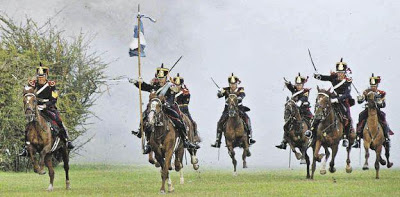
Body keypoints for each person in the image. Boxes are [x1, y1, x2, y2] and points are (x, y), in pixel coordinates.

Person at [131, 64, 200, 154]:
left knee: (179, 121)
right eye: (159, 78)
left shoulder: (170, 87)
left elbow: (171, 99)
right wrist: (138, 82)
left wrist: (166, 104)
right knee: (144, 116)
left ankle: (185, 140)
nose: (160, 80)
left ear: (165, 78)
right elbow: (144, 87)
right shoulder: (154, 86)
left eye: (162, 78)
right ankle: (144, 137)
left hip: (167, 108)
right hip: (155, 108)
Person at [20, 63, 74, 157]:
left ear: (46, 76)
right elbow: (28, 95)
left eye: (42, 77)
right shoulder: (33, 84)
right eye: (39, 77)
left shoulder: (51, 85)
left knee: (58, 120)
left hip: (48, 108)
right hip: (36, 109)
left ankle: (66, 140)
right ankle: (25, 147)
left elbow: (54, 99)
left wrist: (45, 106)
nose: (40, 79)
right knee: (28, 125)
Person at [310, 58, 355, 147]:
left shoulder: (347, 82)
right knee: (321, 110)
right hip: (332, 99)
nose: (340, 74)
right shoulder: (333, 78)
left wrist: (337, 99)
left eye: (341, 72)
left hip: (341, 101)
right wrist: (317, 76)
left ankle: (345, 136)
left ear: (345, 73)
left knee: (347, 116)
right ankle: (311, 130)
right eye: (338, 72)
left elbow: (347, 94)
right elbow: (324, 77)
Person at [211, 73, 256, 148]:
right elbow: (219, 96)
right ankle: (217, 141)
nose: (232, 85)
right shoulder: (226, 90)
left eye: (234, 84)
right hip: (227, 110)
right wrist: (219, 92)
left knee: (247, 119)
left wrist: (238, 98)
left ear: (236, 83)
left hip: (239, 108)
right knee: (220, 122)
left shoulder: (240, 89)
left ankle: (250, 137)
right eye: (231, 84)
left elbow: (242, 95)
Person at [354, 74, 394, 148]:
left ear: (377, 86)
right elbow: (361, 101)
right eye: (372, 86)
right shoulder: (366, 92)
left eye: (374, 86)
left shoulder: (381, 93)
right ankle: (357, 138)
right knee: (361, 116)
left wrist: (380, 103)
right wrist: (360, 99)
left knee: (383, 118)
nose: (373, 87)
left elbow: (383, 105)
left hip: (376, 110)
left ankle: (386, 137)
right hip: (368, 109)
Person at [276, 73, 313, 149]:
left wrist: (299, 102)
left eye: (300, 84)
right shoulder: (294, 89)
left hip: (303, 111)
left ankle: (310, 134)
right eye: (297, 84)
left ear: (303, 84)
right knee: (287, 124)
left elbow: (304, 98)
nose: (298, 86)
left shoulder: (305, 91)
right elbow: (290, 87)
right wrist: (288, 83)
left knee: (311, 121)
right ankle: (284, 141)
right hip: (295, 112)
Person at [172, 73, 199, 138]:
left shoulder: (185, 92)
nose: (177, 86)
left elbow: (186, 102)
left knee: (191, 122)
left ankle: (194, 137)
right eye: (176, 85)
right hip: (173, 109)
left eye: (178, 85)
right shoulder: (171, 91)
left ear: (181, 85)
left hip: (183, 110)